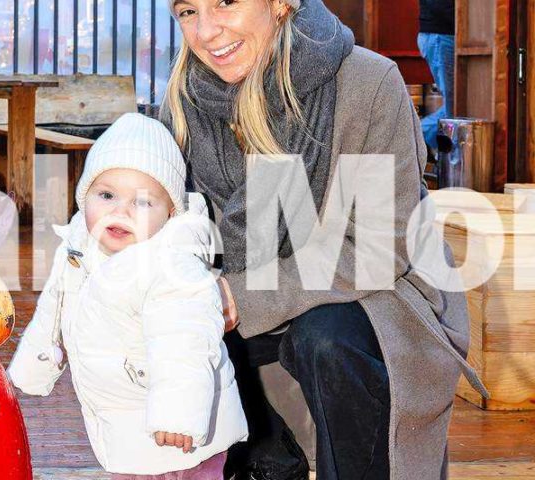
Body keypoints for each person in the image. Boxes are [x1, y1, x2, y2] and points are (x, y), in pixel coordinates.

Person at [160, 1, 486, 479]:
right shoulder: (184, 102)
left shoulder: (366, 83)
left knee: (327, 337)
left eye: (225, 2)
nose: (207, 31)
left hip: (371, 294)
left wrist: (238, 297)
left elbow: (376, 249)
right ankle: (269, 461)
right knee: (175, 321)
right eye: (188, 11)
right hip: (248, 292)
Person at [8, 113, 248, 479]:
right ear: (84, 197)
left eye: (142, 202)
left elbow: (186, 341)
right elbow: (52, 311)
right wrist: (32, 368)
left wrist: (178, 414)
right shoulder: (78, 248)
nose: (119, 211)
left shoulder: (172, 264)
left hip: (182, 434)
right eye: (106, 195)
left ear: (170, 212)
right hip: (126, 430)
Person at [418, 0, 455, 150]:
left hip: (442, 33)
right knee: (455, 106)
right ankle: (410, 136)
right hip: (442, 34)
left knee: (456, 105)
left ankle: (411, 136)